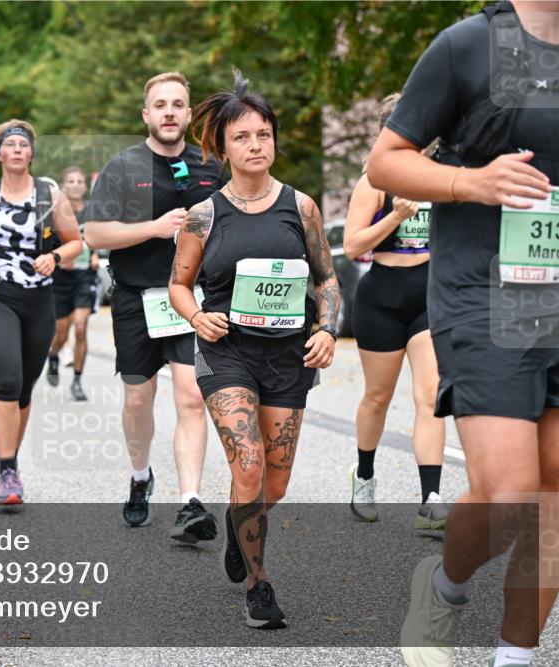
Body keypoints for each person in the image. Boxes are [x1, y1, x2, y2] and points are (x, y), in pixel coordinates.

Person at [367, 2, 558, 665]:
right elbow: (386, 162)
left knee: (555, 495)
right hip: (482, 290)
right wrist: (469, 181)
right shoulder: (468, 45)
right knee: (512, 494)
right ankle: (443, 589)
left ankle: (515, 656)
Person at [170, 70, 338, 629]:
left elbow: (327, 281)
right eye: (242, 137)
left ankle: (238, 521)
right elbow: (178, 284)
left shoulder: (302, 208)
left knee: (274, 483)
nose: (255, 145)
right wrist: (197, 315)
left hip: (288, 356)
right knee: (247, 463)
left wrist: (328, 329)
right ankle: (259, 586)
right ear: (223, 146)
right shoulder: (204, 215)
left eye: (263, 134)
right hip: (228, 353)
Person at [83, 71, 226, 541]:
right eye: (160, 105)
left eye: (177, 104)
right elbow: (95, 234)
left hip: (193, 300)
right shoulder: (123, 168)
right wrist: (154, 227)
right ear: (146, 115)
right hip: (136, 298)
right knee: (138, 399)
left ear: (188, 113)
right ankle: (140, 476)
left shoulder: (211, 166)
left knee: (190, 394)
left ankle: (190, 503)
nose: (169, 112)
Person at [0, 119, 82, 504]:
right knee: (8, 380)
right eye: (9, 145)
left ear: (30, 153)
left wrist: (55, 256)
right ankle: (8, 471)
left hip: (39, 298)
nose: (16, 150)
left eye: (22, 145)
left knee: (25, 387)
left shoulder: (50, 196)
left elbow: (76, 242)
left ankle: (9, 461)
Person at [343, 94, 448, 529]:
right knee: (378, 398)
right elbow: (352, 246)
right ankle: (364, 475)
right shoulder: (374, 181)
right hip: (381, 296)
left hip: (427, 295)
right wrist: (394, 218)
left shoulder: (439, 178)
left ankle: (431, 499)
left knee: (430, 396)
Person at [47, 166, 100, 401]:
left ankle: (77, 381)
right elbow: (44, 242)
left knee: (80, 326)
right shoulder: (56, 212)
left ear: (85, 187)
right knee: (61, 331)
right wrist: (59, 258)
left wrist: (96, 253)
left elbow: (99, 237)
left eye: (80, 181)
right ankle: (53, 355)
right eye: (71, 181)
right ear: (63, 186)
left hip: (84, 277)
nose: (76, 184)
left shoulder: (92, 212)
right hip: (60, 278)